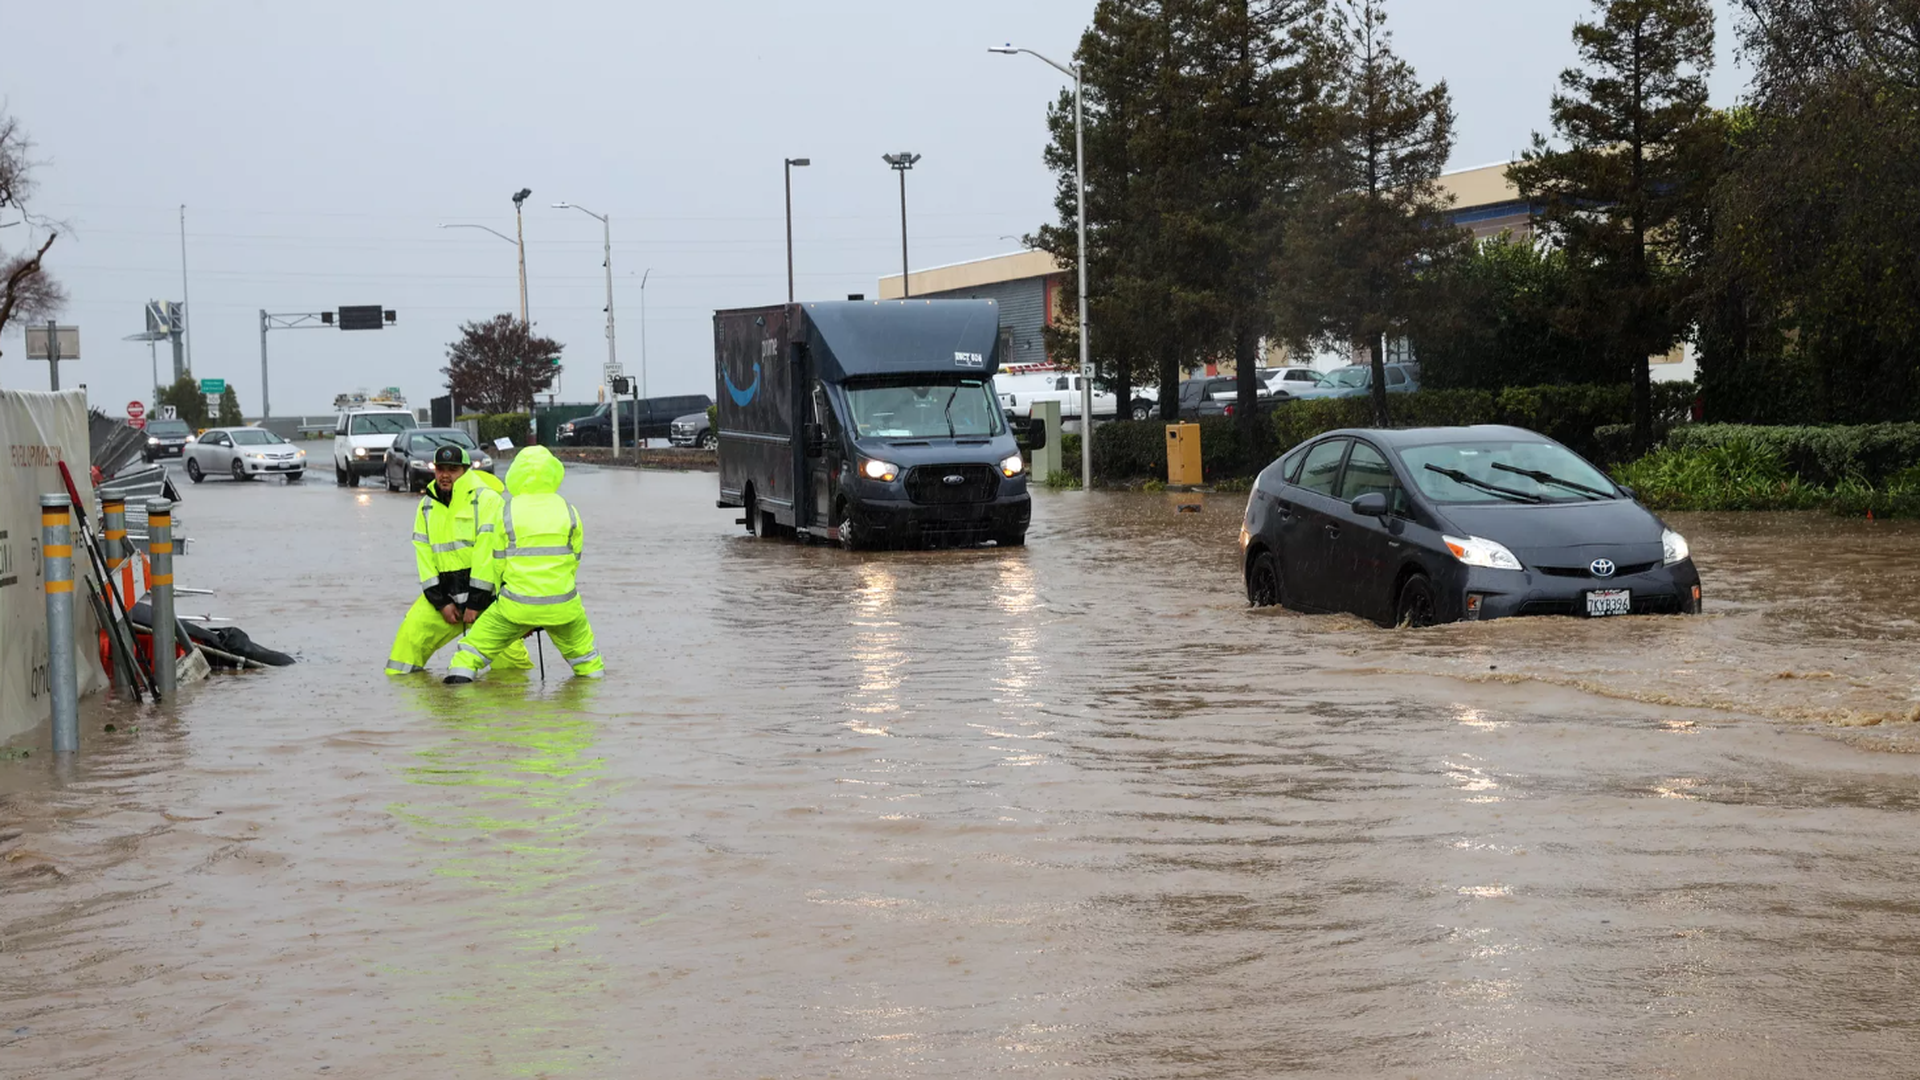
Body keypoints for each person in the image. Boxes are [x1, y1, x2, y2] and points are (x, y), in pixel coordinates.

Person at [445, 446, 603, 683]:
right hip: (563, 604)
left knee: (470, 653)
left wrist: (506, 599)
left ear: (516, 473)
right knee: (587, 659)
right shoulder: (569, 510)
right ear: (554, 472)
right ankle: (594, 705)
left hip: (515, 604)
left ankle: (458, 706)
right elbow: (574, 559)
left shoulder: (507, 511)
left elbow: (497, 563)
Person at [385, 444, 532, 676]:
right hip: (445, 597)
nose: (445, 475)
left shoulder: (488, 500)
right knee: (407, 647)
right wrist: (441, 602)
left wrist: (475, 602)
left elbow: (488, 554)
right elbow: (424, 558)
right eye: (440, 468)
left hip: (487, 600)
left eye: (452, 469)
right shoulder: (426, 506)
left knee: (512, 669)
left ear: (465, 470)